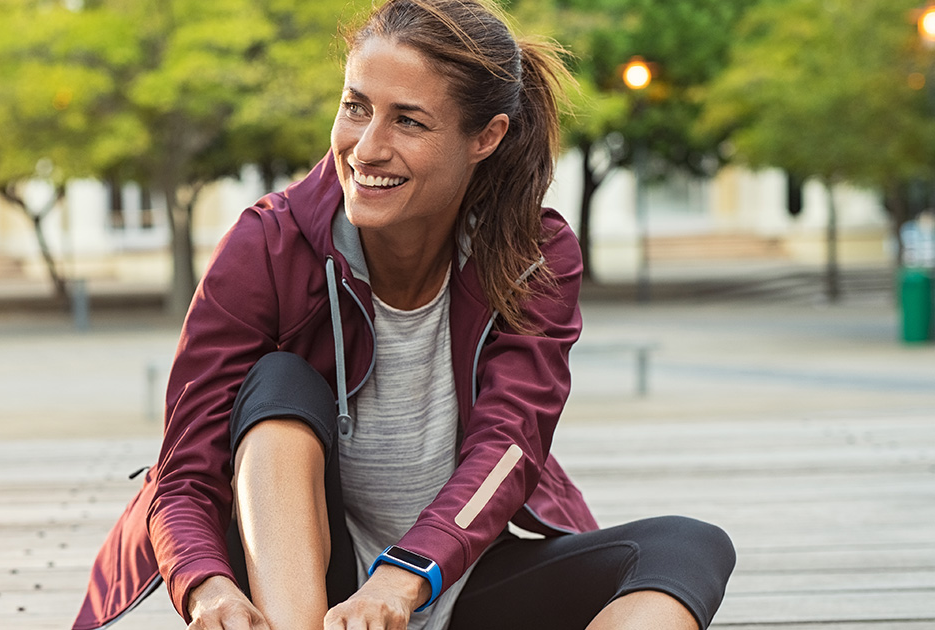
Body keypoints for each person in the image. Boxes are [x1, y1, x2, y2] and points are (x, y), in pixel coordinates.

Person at [74, 1, 736, 628]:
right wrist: (206, 586)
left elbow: (509, 447)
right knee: (278, 384)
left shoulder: (533, 255)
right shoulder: (267, 245)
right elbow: (184, 471)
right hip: (305, 599)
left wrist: (404, 577)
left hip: (453, 579)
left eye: (409, 121)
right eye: (355, 108)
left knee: (689, 547)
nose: (366, 149)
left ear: (486, 137)